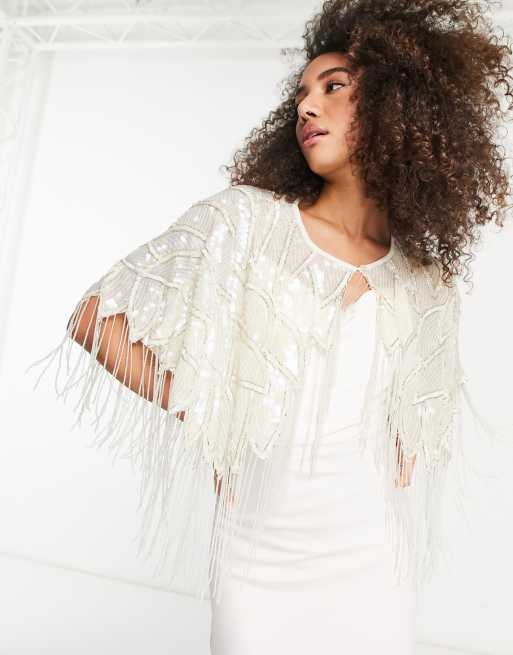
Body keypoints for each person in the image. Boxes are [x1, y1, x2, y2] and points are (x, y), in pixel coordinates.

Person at [26, 1, 513, 653]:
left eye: (334, 87)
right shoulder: (247, 222)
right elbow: (95, 318)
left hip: (373, 560)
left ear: (398, 103)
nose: (307, 107)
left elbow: (412, 426)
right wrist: (202, 408)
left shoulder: (425, 279)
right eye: (302, 95)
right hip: (258, 554)